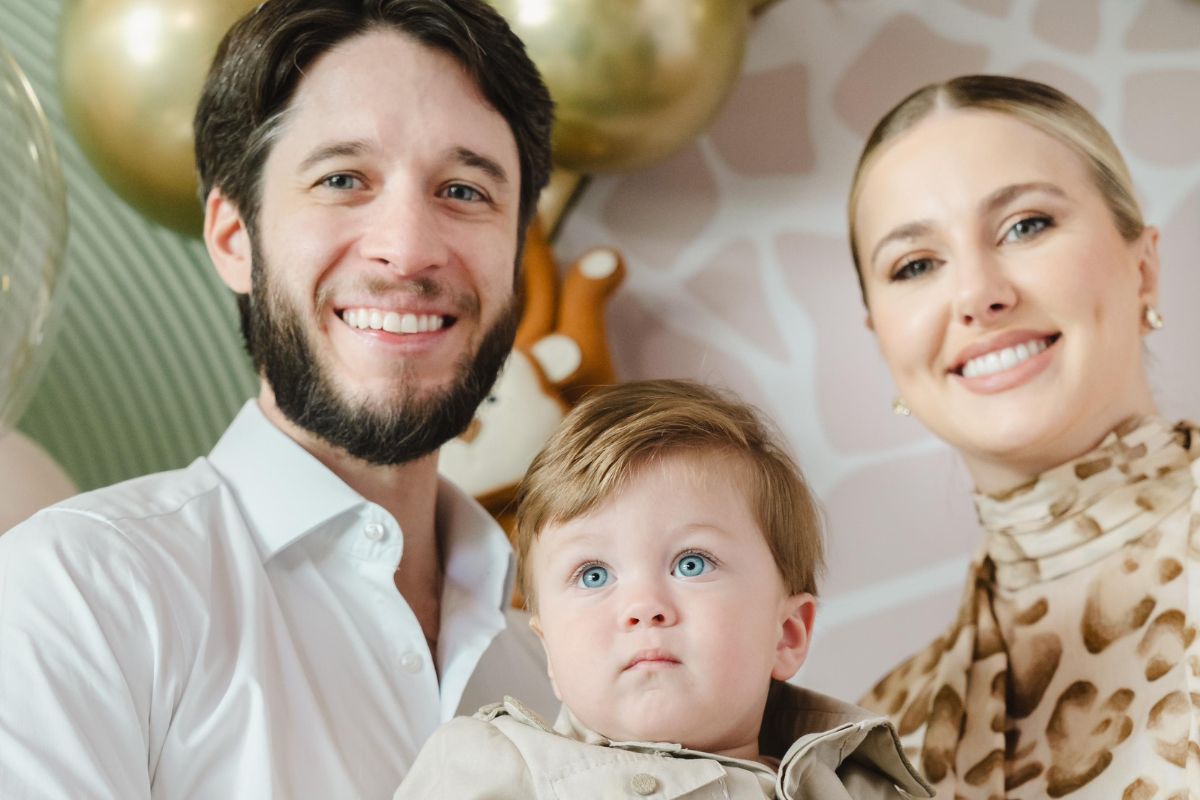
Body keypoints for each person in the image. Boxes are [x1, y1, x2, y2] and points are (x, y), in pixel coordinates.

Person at [0, 1, 556, 797]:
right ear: (234, 238)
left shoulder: (563, 679)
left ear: (516, 252)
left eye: (465, 191)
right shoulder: (78, 595)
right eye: (341, 179)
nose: (407, 250)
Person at [847, 74, 1199, 798]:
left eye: (1026, 225)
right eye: (916, 265)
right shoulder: (879, 745)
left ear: (1145, 267)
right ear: (882, 339)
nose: (978, 294)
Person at [393, 379, 933, 799]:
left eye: (692, 564)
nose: (643, 607)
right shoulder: (490, 767)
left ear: (786, 634)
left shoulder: (861, 786)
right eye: (593, 575)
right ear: (549, 653)